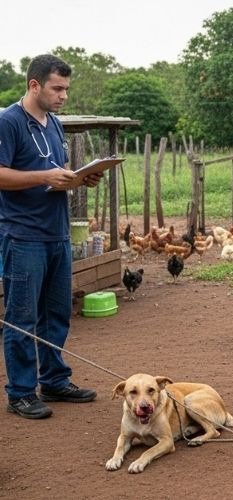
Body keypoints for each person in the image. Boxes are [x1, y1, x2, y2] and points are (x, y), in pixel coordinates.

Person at [0, 54, 105, 419]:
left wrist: (80, 178)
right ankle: (21, 392)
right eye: (57, 88)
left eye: (66, 89)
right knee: (22, 317)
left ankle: (55, 380)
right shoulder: (8, 122)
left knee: (57, 313)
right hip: (23, 234)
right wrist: (45, 176)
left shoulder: (54, 124)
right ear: (34, 85)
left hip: (56, 232)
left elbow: (56, 172)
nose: (63, 95)